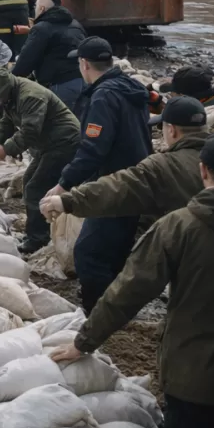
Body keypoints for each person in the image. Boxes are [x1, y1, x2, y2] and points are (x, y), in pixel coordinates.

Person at [49, 132, 214, 428]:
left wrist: (83, 341)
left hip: (194, 381)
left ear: (203, 171)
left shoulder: (177, 227)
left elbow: (127, 292)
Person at [43, 96, 214, 229]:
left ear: (170, 129)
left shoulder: (162, 165)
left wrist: (67, 201)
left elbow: (117, 187)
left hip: (196, 259)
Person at [48, 36, 153, 312]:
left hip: (113, 183)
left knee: (89, 254)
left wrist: (64, 184)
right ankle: (116, 303)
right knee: (117, 248)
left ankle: (96, 314)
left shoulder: (103, 97)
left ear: (84, 65)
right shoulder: (131, 86)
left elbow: (93, 148)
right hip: (138, 177)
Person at [0, 67, 81, 254]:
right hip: (48, 144)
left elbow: (30, 131)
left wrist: (7, 149)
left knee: (36, 187)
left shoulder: (30, 96)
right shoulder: (11, 96)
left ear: (6, 88)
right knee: (30, 182)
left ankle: (38, 238)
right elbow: (7, 121)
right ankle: (39, 232)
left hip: (64, 142)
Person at [11, 0, 86, 109]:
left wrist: (11, 80)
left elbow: (26, 60)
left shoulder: (41, 28)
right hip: (83, 81)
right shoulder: (76, 25)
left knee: (59, 124)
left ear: (42, 8)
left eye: (36, 7)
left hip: (59, 85)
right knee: (80, 122)